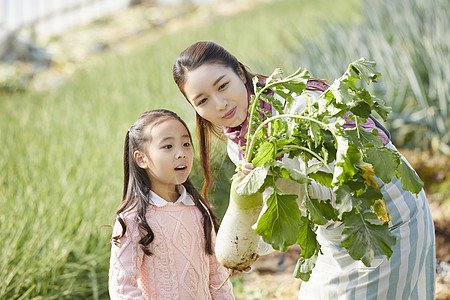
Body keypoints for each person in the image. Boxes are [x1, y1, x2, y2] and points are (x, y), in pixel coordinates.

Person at [172, 41, 436, 299]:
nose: (219, 104)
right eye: (203, 100)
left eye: (223, 86)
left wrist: (289, 185)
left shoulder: (301, 109)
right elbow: (280, 215)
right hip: (334, 236)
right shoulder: (240, 143)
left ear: (240, 74)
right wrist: (246, 244)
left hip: (384, 221)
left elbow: (354, 184)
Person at [108, 109, 235, 299]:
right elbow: (122, 288)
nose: (181, 153)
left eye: (186, 144)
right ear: (141, 158)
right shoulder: (133, 218)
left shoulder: (198, 210)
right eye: (168, 146)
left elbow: (216, 277)